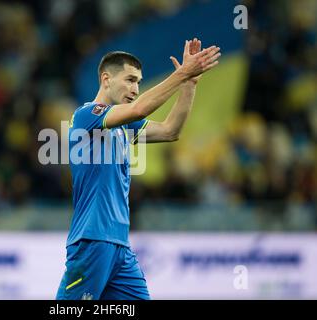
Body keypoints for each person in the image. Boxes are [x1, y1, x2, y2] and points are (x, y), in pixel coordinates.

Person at [56, 38, 221, 300]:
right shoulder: (87, 115)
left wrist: (189, 84)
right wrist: (181, 73)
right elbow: (139, 108)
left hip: (120, 245)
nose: (135, 88)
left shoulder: (123, 127)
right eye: (130, 80)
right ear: (106, 78)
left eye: (139, 82)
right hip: (92, 239)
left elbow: (170, 131)